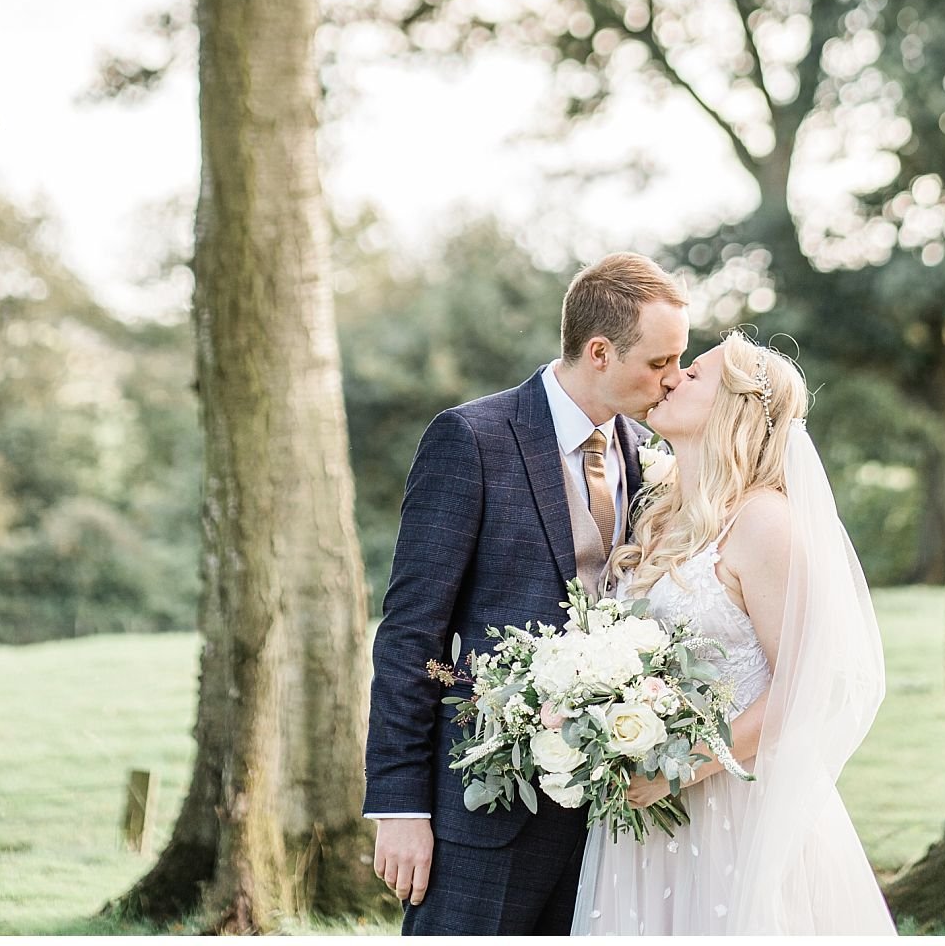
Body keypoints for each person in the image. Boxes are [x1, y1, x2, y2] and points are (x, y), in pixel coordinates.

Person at [364, 252, 691, 936]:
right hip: (484, 814)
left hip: (610, 821)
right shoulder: (472, 440)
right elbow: (413, 638)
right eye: (660, 362)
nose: (675, 379)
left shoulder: (647, 455)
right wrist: (401, 806)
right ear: (600, 351)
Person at [572, 334, 895, 937]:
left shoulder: (764, 522)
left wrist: (679, 768)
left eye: (692, 374)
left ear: (734, 409)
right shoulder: (661, 516)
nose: (670, 379)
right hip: (649, 818)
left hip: (737, 808)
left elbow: (807, 689)